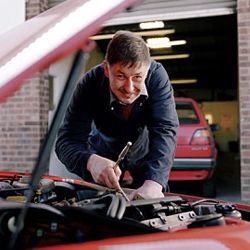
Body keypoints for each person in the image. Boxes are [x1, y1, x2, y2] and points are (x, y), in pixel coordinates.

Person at [55, 30, 179, 200]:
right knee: (95, 209)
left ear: (147, 71)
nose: (129, 88)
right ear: (106, 68)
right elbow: (66, 141)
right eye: (121, 76)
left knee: (152, 204)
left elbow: (165, 129)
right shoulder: (90, 83)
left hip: (146, 157)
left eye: (137, 77)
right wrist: (90, 162)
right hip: (102, 157)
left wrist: (154, 182)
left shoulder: (157, 77)